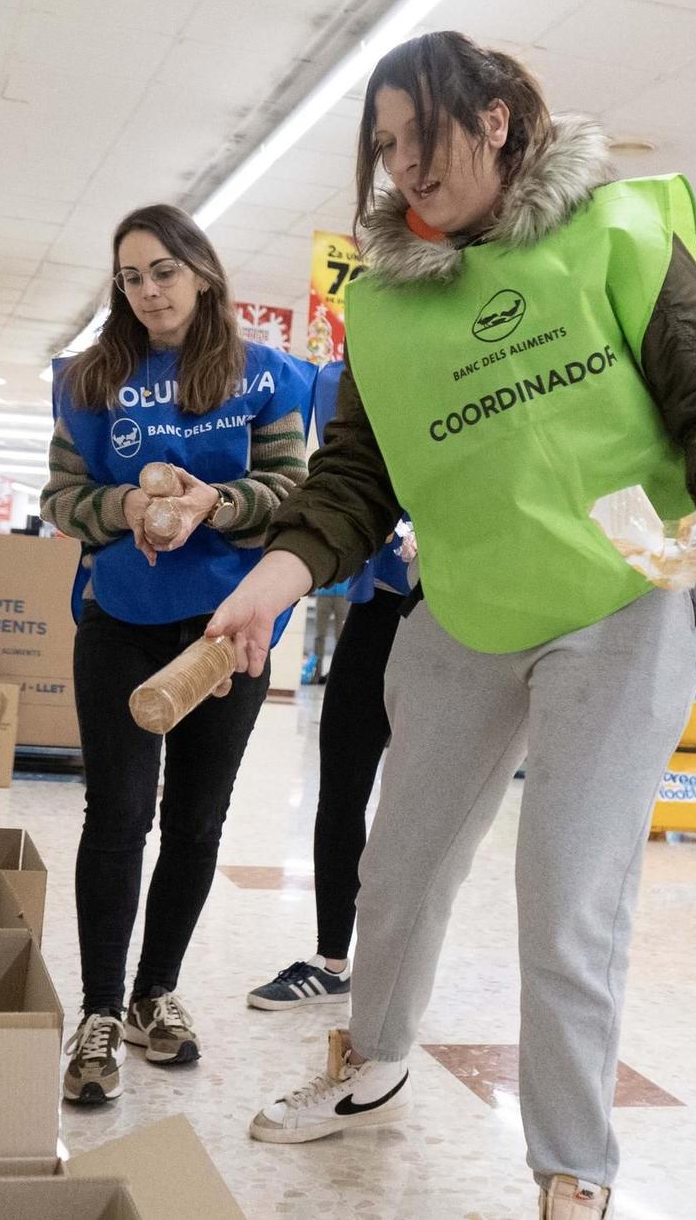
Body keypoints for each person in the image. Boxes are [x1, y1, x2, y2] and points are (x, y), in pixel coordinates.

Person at [205, 32, 696, 1219]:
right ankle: (371, 1060)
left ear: (492, 121)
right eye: (381, 146)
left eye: (417, 133)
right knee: (399, 863)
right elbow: (355, 482)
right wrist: (274, 578)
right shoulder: (381, 306)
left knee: (565, 893)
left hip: (619, 605)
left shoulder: (617, 232)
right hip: (467, 609)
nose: (400, 165)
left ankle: (571, 1166)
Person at [41, 203, 311, 1106]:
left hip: (227, 628)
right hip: (120, 620)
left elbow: (290, 493)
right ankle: (101, 1011)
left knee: (198, 820)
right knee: (117, 815)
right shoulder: (90, 380)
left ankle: (158, 992)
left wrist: (214, 504)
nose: (149, 290)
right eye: (131, 276)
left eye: (163, 270)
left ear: (202, 271)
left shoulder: (263, 376)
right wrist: (122, 509)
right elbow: (61, 496)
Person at [247, 357, 414, 1012]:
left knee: (417, 807)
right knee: (342, 779)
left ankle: (395, 965)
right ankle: (331, 960)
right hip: (380, 606)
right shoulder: (359, 376)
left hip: (458, 617)